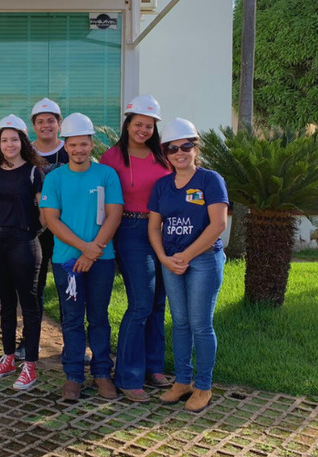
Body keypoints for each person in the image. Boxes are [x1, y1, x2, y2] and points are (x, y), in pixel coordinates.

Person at [147, 117, 228, 413]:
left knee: (200, 325)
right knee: (180, 323)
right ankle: (182, 382)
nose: (179, 152)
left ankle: (203, 386)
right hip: (171, 261)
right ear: (165, 153)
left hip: (203, 261)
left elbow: (218, 224)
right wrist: (164, 258)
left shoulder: (210, 180)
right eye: (171, 148)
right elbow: (154, 227)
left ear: (195, 147)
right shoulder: (161, 185)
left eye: (185, 146)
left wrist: (188, 255)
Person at [39, 113, 123, 401]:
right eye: (73, 145)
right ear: (65, 145)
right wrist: (83, 248)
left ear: (91, 144)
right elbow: (52, 220)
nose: (78, 150)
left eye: (83, 144)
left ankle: (102, 373)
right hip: (67, 261)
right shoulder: (55, 178)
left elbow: (114, 215)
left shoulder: (106, 174)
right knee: (73, 319)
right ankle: (73, 375)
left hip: (102, 258)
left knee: (99, 317)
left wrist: (94, 249)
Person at [100, 95, 173, 403]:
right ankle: (128, 375)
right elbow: (103, 204)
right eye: (138, 124)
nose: (143, 130)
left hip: (166, 231)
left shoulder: (164, 156)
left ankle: (153, 367)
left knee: (158, 303)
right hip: (130, 230)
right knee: (141, 303)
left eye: (149, 125)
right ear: (127, 124)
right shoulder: (112, 159)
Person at [0, 115, 45, 391]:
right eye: (4, 140)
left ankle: (29, 364)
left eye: (14, 139)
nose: (9, 144)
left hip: (24, 242)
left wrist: (28, 234)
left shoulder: (33, 172)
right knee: (6, 304)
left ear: (23, 142)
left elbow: (44, 213)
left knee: (29, 304)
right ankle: (8, 356)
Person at [30, 98, 69, 332]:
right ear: (34, 125)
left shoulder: (70, 149)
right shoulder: (25, 152)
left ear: (59, 124)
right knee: (35, 285)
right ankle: (31, 338)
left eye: (51, 120)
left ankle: (71, 340)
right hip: (35, 230)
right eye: (40, 121)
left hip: (66, 228)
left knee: (68, 285)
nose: (46, 125)